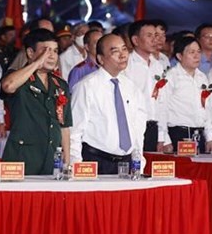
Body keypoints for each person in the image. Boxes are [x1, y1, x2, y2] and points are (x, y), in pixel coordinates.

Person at [70, 34, 147, 174]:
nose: (122, 55)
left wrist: (138, 162)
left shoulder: (132, 88)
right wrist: (76, 165)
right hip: (97, 161)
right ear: (100, 59)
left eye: (124, 49)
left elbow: (138, 129)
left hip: (127, 161)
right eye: (115, 51)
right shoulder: (86, 86)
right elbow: (74, 131)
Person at [0, 28, 72, 175]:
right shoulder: (19, 78)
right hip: (23, 156)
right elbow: (8, 86)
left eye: (55, 51)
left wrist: (67, 159)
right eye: (46, 51)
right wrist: (36, 63)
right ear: (30, 53)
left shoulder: (60, 85)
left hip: (52, 156)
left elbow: (64, 126)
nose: (51, 56)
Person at [162, 36, 212, 153]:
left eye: (198, 52)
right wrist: (165, 139)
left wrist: (209, 137)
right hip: (178, 134)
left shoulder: (202, 77)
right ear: (179, 56)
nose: (197, 56)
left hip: (199, 135)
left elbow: (207, 109)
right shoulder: (171, 77)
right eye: (192, 52)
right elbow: (162, 109)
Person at [124, 20, 171, 152]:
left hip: (153, 127)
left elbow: (162, 102)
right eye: (149, 36)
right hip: (132, 125)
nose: (154, 40)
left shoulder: (158, 65)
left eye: (155, 35)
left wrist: (162, 136)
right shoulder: (127, 64)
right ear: (135, 40)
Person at [67, 28, 103, 92]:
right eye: (96, 42)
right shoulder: (78, 70)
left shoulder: (108, 66)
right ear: (87, 47)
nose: (100, 45)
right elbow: (73, 95)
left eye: (102, 42)